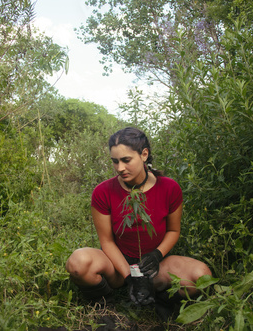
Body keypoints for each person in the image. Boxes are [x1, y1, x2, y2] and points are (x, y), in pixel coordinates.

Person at [65, 127, 211, 318]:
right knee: (78, 263)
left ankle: (162, 299)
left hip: (155, 266)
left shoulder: (169, 188)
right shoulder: (103, 192)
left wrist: (156, 255)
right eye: (115, 161)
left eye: (126, 160)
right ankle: (105, 304)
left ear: (144, 154)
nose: (120, 168)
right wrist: (129, 277)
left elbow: (174, 230)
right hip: (117, 266)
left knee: (201, 276)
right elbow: (107, 241)